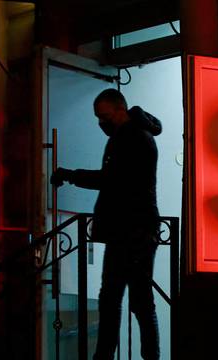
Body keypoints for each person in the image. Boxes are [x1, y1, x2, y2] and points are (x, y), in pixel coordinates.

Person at [51, 88, 162, 360]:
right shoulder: (132, 136)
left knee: (125, 301)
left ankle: (114, 355)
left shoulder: (133, 138)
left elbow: (112, 180)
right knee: (128, 301)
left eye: (104, 116)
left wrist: (71, 175)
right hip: (132, 229)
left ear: (120, 110)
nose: (101, 123)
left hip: (131, 230)